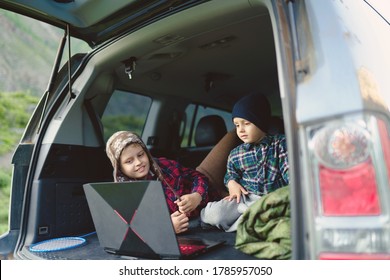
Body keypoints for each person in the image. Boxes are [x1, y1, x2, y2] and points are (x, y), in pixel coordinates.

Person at [200, 92, 289, 232]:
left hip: (273, 199)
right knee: (214, 214)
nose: (240, 130)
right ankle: (250, 221)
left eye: (246, 123)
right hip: (244, 199)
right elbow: (230, 174)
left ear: (261, 122)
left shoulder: (280, 144)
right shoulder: (236, 153)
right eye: (236, 125)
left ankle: (249, 222)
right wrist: (231, 183)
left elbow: (289, 171)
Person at [106, 131, 209, 234]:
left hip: (202, 217)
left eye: (141, 155)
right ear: (119, 168)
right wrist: (167, 227)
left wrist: (197, 195)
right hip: (169, 240)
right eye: (129, 161)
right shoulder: (123, 194)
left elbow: (198, 176)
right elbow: (130, 228)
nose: (138, 162)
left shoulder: (165, 166)